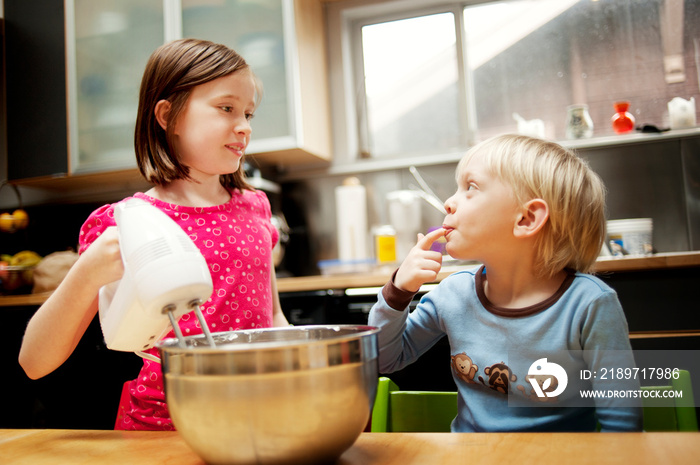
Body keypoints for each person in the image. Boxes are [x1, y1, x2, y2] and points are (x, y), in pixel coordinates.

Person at [19, 38, 289, 430]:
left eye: (249, 113)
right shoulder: (127, 224)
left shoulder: (254, 207)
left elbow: (273, 317)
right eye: (226, 108)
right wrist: (87, 271)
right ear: (169, 116)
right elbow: (34, 362)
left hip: (258, 415)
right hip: (162, 426)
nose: (244, 126)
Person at [368, 134, 643, 432]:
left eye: (470, 187)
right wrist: (398, 292)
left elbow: (622, 426)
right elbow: (384, 358)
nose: (449, 202)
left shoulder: (589, 305)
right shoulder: (452, 294)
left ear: (525, 219)